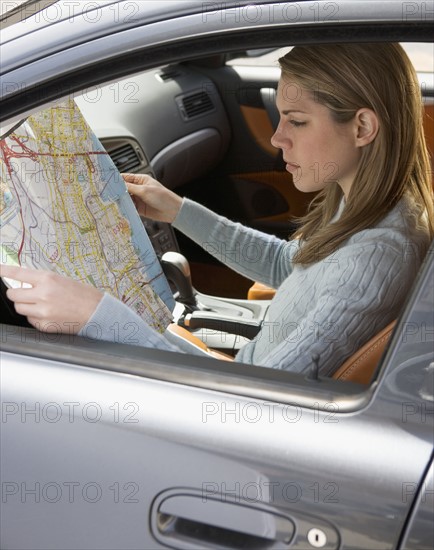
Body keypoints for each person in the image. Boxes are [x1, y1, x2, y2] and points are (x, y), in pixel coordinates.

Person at [1, 43, 433, 377]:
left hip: (242, 392)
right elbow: (291, 266)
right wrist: (178, 210)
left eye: (297, 121)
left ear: (361, 127)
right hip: (250, 363)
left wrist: (98, 316)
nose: (278, 138)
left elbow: (257, 402)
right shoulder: (366, 203)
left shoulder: (375, 257)